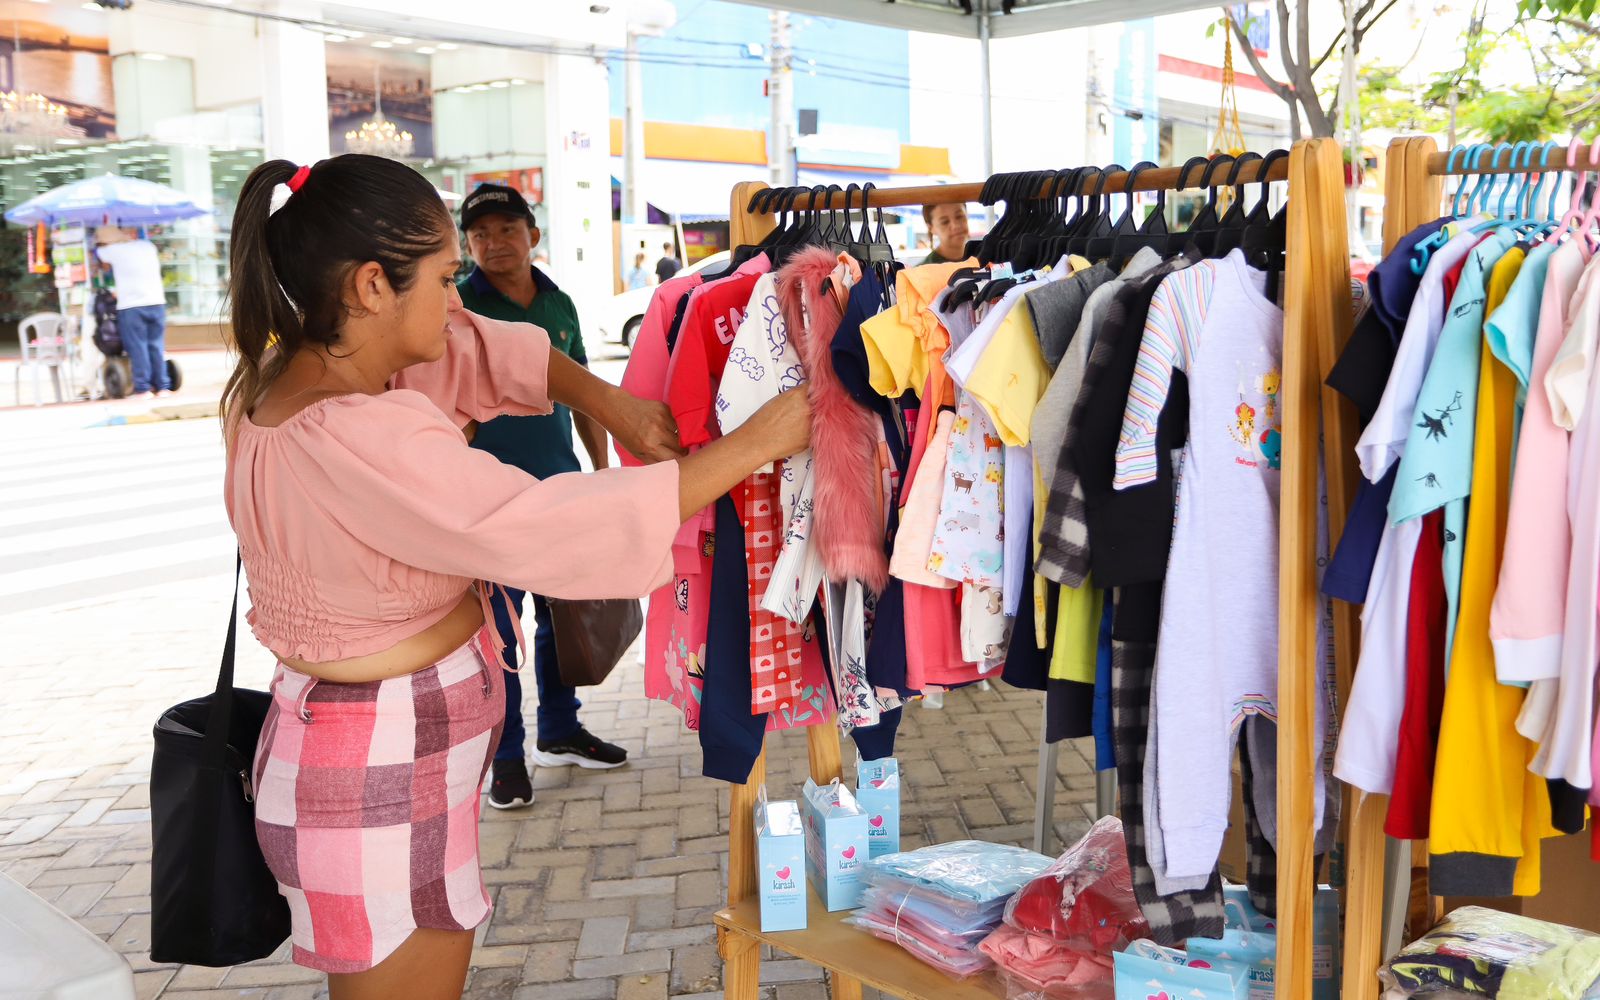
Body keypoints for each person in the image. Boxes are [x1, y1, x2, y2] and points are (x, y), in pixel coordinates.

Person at [224, 154, 809, 999]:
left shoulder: (310, 377)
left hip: (390, 757)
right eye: (443, 278)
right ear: (371, 287)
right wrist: (757, 443)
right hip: (372, 770)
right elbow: (545, 522)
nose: (456, 301)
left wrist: (608, 403)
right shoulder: (356, 430)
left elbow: (472, 346)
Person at [456, 183, 627, 809]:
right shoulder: (458, 306)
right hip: (488, 503)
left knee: (563, 623)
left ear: (533, 234)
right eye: (479, 234)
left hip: (558, 489)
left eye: (506, 229)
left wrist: (601, 470)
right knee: (499, 635)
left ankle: (559, 731)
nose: (493, 243)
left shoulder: (559, 302)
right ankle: (505, 758)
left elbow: (584, 392)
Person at [95, 226, 171, 397]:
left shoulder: (112, 250)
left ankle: (143, 388)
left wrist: (102, 243)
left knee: (138, 347)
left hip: (132, 306)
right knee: (156, 346)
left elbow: (98, 252)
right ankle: (162, 386)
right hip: (157, 302)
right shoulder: (148, 246)